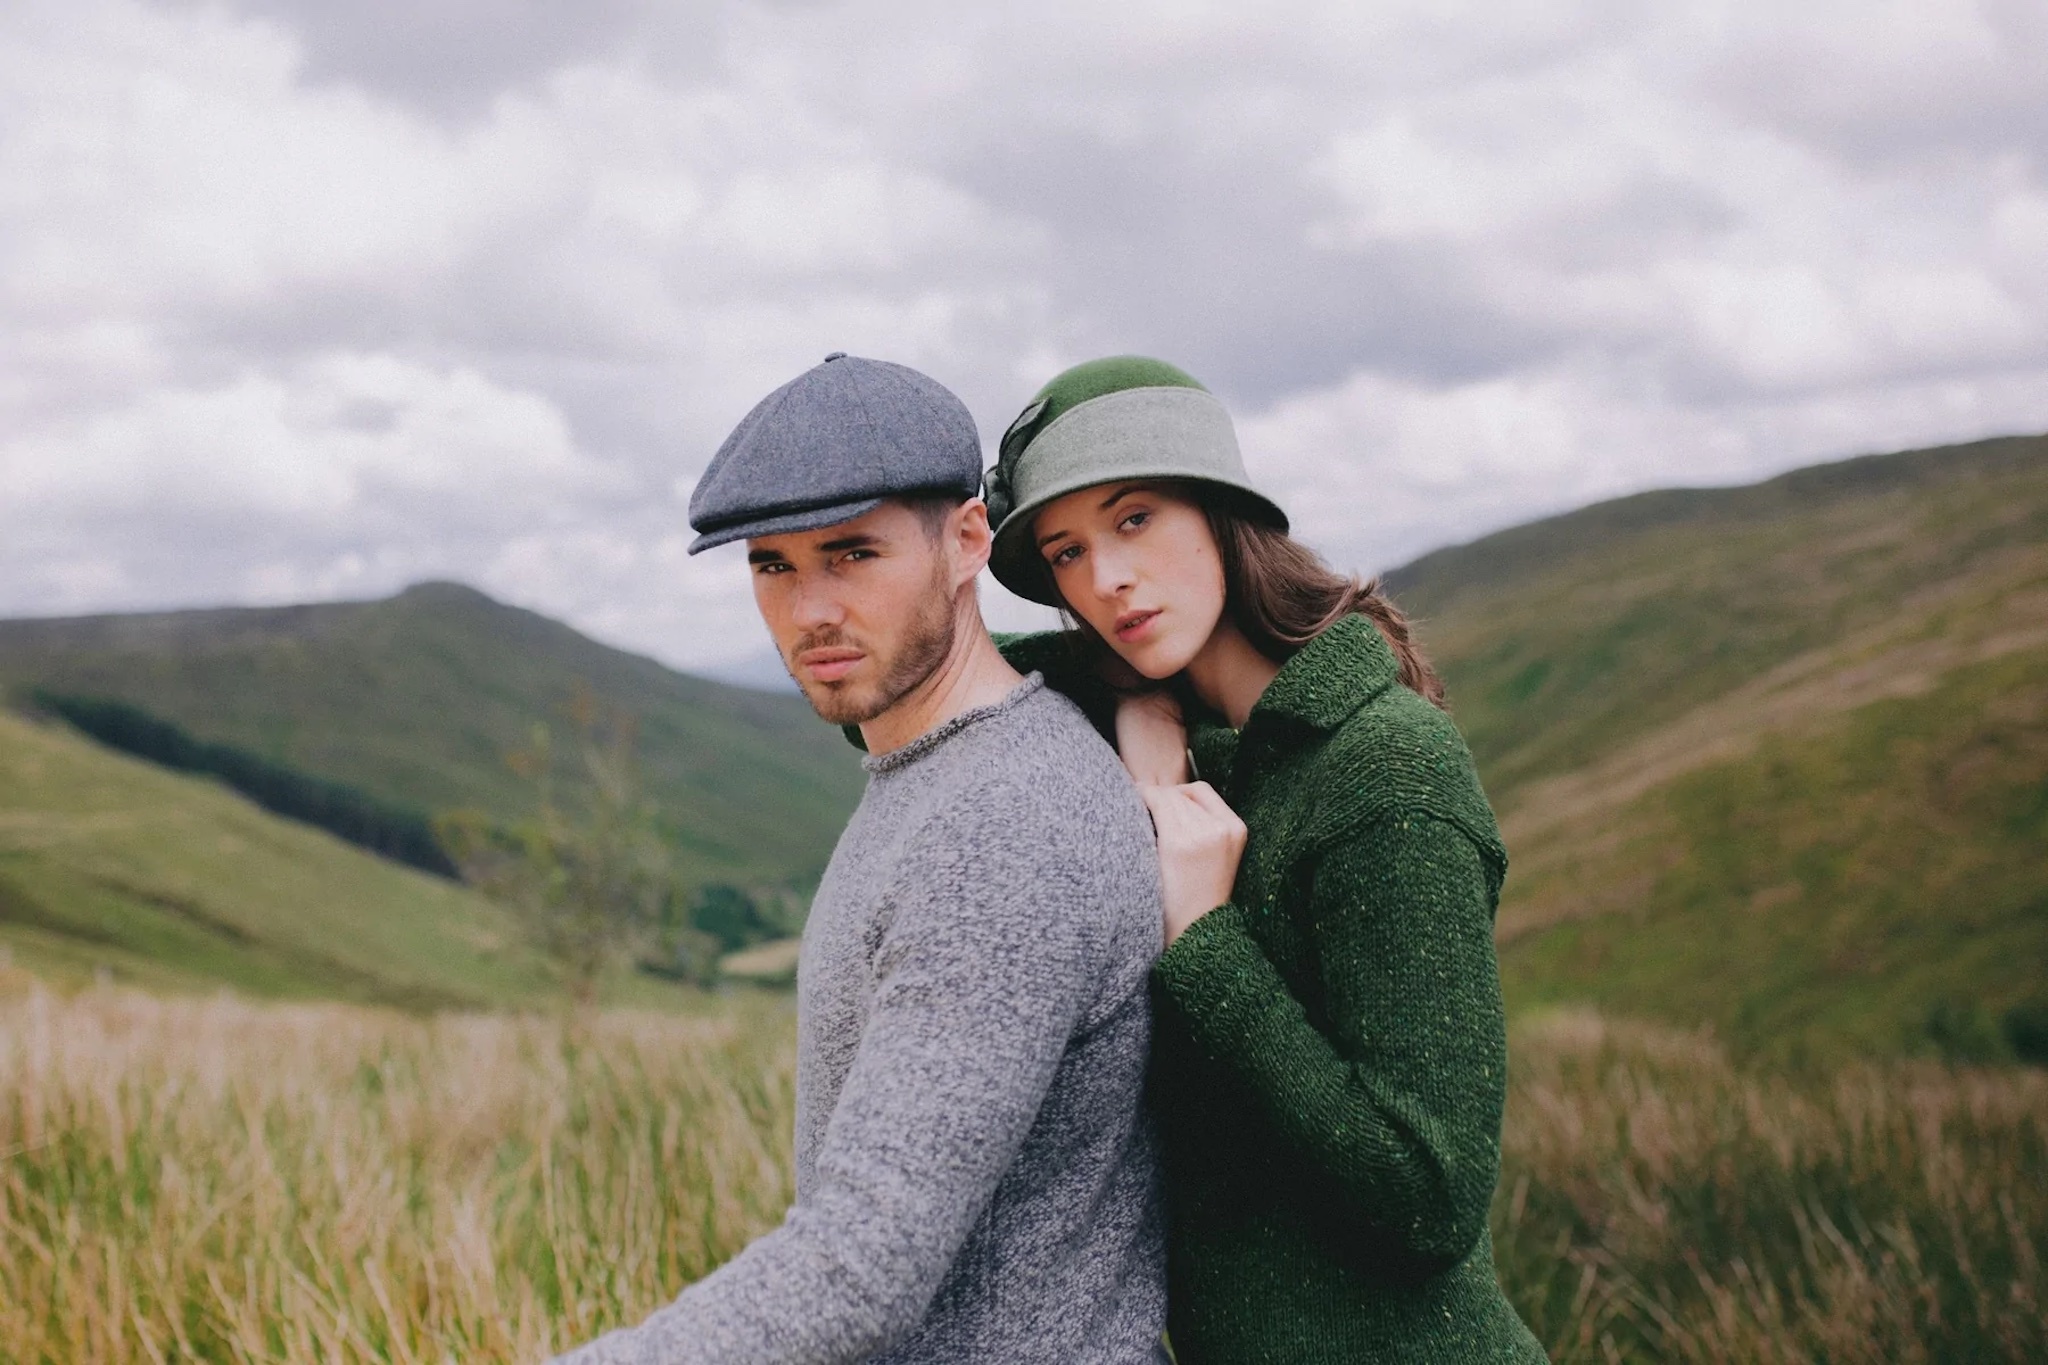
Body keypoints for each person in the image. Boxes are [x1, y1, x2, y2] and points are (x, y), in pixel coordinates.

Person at [551, 354, 1167, 1364]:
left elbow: (856, 1273)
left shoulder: (1002, 825)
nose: (808, 611)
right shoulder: (936, 773)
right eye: (772, 566)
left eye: (851, 554)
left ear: (966, 539)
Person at [985, 356, 1548, 1363]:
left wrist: (1204, 939)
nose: (1103, 580)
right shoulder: (1218, 754)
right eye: (1064, 553)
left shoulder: (1385, 771)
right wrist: (1131, 704)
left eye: (1134, 519)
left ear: (1221, 514)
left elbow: (1428, 1199)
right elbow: (922, 700)